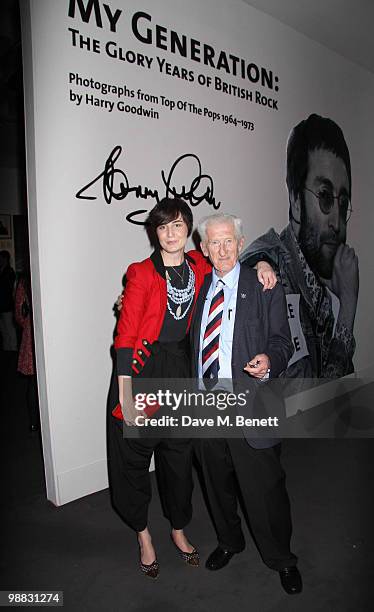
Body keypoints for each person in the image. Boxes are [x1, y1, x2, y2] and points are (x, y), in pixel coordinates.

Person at [108, 198, 276, 579]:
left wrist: (265, 264)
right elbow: (125, 336)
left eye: (178, 225)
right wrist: (125, 392)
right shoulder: (140, 272)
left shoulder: (199, 265)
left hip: (183, 369)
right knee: (136, 457)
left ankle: (178, 529)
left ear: (189, 233)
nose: (171, 233)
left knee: (179, 457)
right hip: (145, 373)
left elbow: (231, 262)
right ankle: (144, 535)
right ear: (155, 231)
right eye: (163, 226)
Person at [190, 213, 302, 595]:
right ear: (203, 249)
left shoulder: (263, 284)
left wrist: (270, 360)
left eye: (228, 241)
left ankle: (282, 558)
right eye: (213, 243)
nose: (221, 249)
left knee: (266, 489)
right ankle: (229, 541)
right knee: (216, 484)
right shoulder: (198, 289)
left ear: (241, 244)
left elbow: (282, 341)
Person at [241, 114, 359, 380]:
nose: (337, 222)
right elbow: (315, 403)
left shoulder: (315, 279)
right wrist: (349, 304)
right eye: (325, 197)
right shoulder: (268, 274)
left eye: (343, 202)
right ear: (295, 200)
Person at [14, 271, 39, 431]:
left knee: (32, 381)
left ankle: (34, 422)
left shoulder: (24, 282)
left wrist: (26, 324)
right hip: (44, 328)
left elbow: (18, 312)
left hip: (31, 330)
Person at [0, 250, 17, 352]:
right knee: (3, 330)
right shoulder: (2, 271)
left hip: (7, 305)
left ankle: (13, 349)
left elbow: (7, 288)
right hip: (2, 305)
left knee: (10, 329)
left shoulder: (9, 271)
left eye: (1, 258)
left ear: (5, 259)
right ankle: (7, 350)